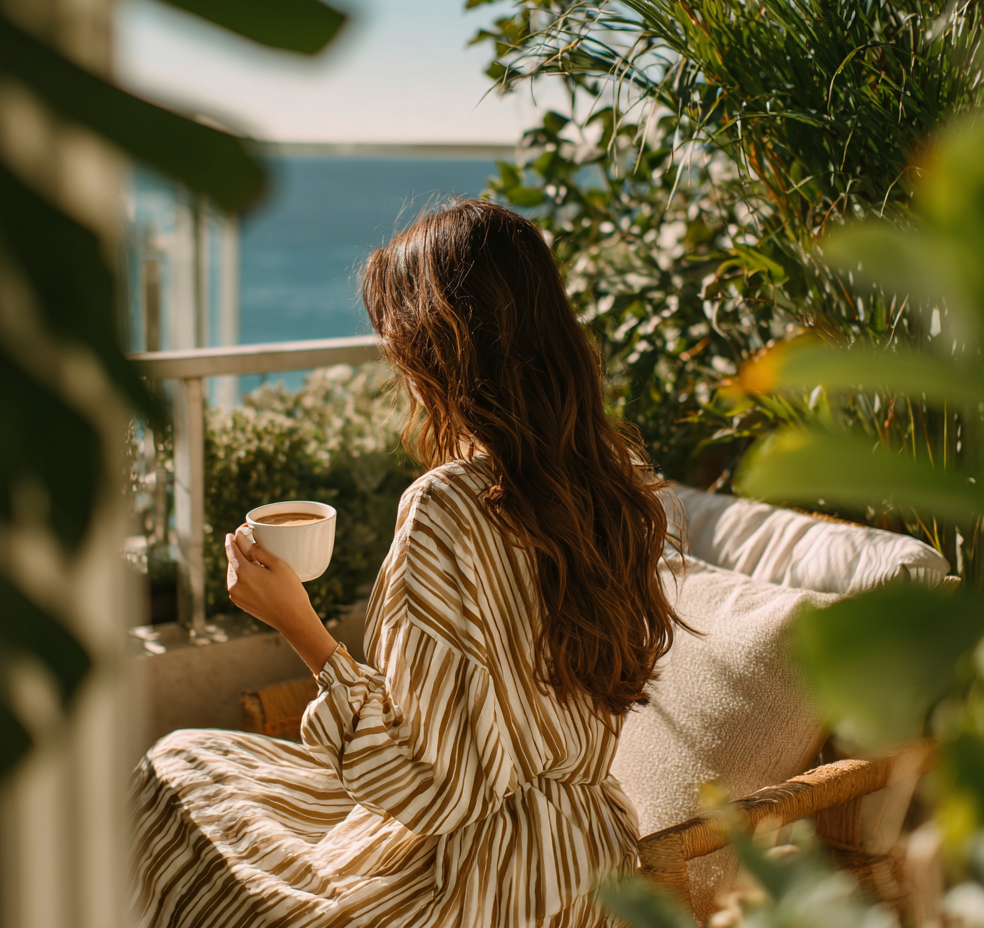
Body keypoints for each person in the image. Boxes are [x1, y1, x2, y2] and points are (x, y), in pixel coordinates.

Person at [132, 200, 685, 928]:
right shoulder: (615, 481)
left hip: (474, 885)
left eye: (400, 342)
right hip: (589, 865)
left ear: (440, 349)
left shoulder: (448, 507)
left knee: (171, 775)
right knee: (198, 763)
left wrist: (300, 625)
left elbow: (429, 790)